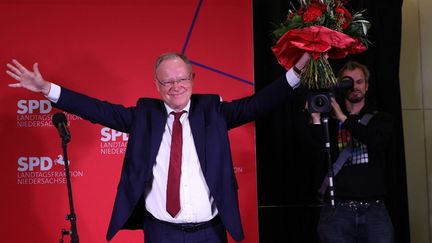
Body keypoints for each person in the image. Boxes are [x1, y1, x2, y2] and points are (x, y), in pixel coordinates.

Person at [6, 52, 309, 243]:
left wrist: (299, 69)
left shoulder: (213, 112)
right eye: (167, 82)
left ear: (193, 79)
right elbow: (97, 110)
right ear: (156, 86)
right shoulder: (144, 115)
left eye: (181, 79)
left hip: (210, 232)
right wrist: (47, 89)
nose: (175, 86)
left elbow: (258, 104)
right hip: (161, 232)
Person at [305, 61, 395, 243]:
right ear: (340, 86)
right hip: (337, 211)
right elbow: (316, 155)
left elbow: (376, 141)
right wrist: (315, 118)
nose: (355, 86)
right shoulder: (329, 121)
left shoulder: (381, 119)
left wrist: (344, 119)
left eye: (360, 82)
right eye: (348, 82)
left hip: (374, 211)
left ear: (367, 86)